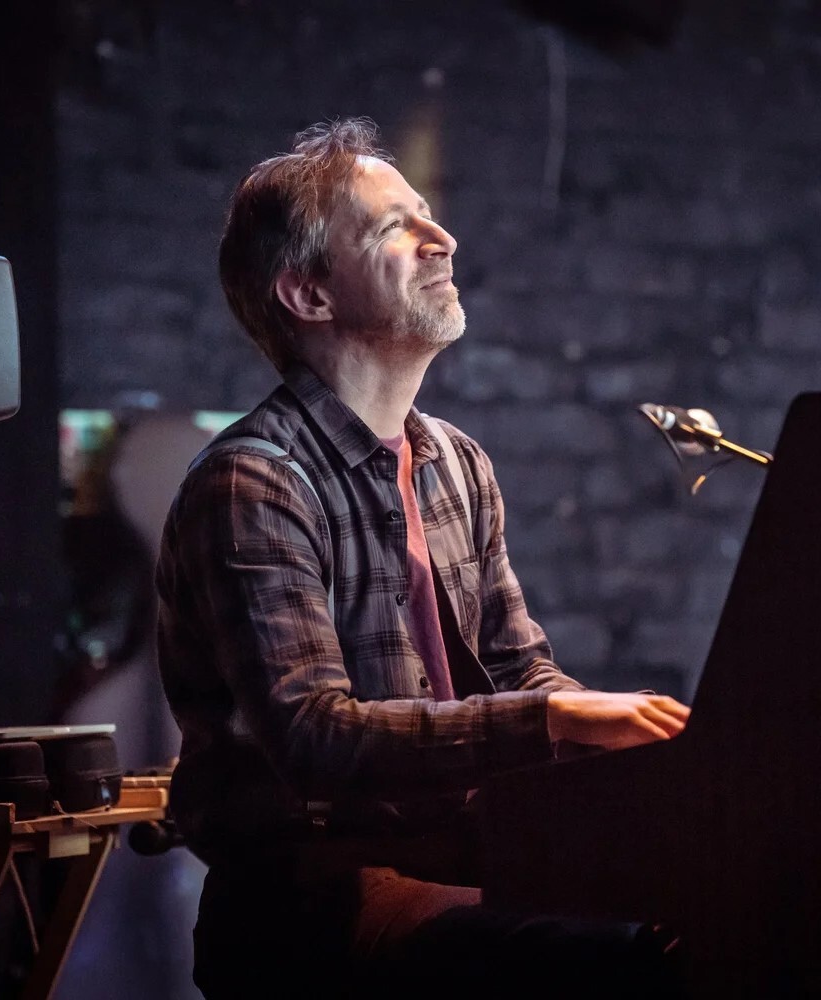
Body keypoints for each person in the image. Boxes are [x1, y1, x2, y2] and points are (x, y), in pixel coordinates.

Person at [155, 117, 690, 997]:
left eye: (428, 215)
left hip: (460, 861)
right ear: (310, 296)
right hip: (313, 906)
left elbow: (523, 675)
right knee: (641, 961)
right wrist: (558, 721)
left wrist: (665, 744)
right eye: (392, 228)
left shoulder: (457, 459)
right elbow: (313, 734)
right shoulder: (252, 482)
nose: (442, 238)